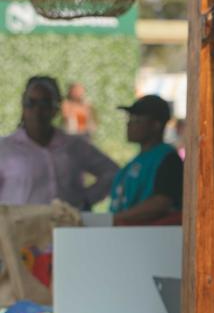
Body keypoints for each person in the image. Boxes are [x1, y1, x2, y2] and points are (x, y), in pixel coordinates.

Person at [0, 76, 118, 209]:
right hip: (20, 221)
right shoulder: (5, 148)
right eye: (31, 103)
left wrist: (85, 200)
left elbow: (113, 172)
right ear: (23, 106)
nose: (37, 110)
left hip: (67, 220)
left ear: (55, 108)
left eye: (44, 104)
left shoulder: (74, 145)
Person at [110, 95, 183, 226]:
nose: (129, 124)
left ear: (156, 125)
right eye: (129, 119)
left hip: (151, 235)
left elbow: (161, 203)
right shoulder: (136, 161)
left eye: (137, 120)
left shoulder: (168, 159)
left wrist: (117, 218)